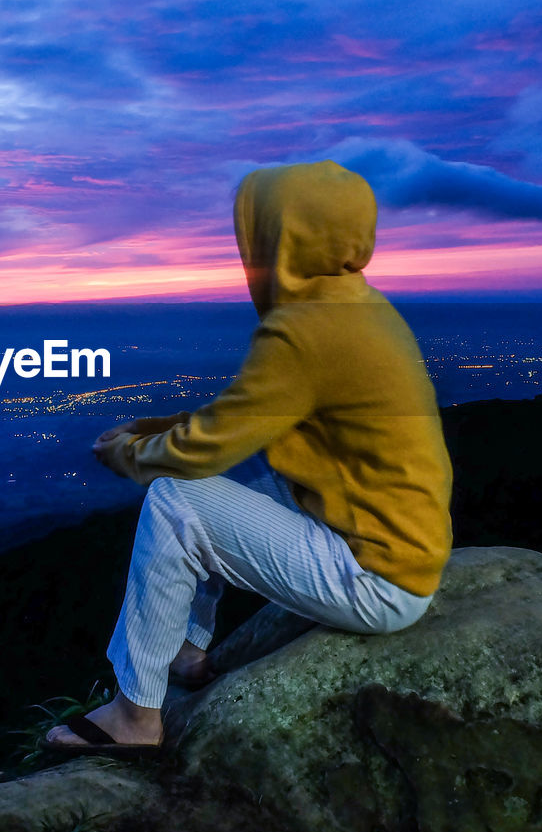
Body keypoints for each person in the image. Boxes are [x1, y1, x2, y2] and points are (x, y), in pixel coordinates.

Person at [43, 159, 453, 754]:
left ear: (286, 241)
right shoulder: (355, 308)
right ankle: (182, 647)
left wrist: (132, 455)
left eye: (260, 236)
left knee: (176, 498)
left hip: (377, 578)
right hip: (397, 547)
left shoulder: (307, 330)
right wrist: (156, 428)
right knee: (243, 472)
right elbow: (243, 419)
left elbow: (207, 445)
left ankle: (135, 715)